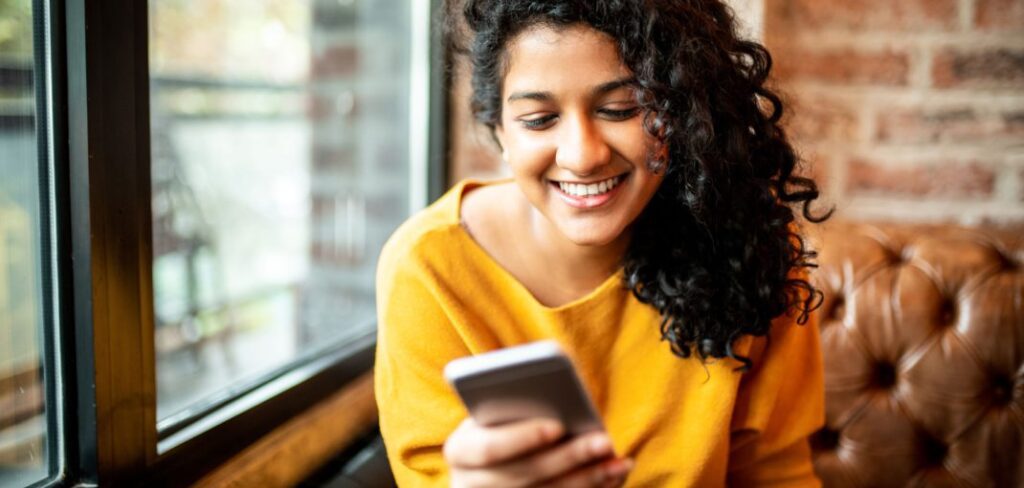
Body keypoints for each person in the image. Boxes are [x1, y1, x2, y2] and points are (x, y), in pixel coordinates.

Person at [374, 1, 831, 486]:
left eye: (620, 109)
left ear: (685, 110)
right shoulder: (430, 269)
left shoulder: (749, 247)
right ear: (500, 130)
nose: (582, 156)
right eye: (538, 119)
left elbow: (776, 474)